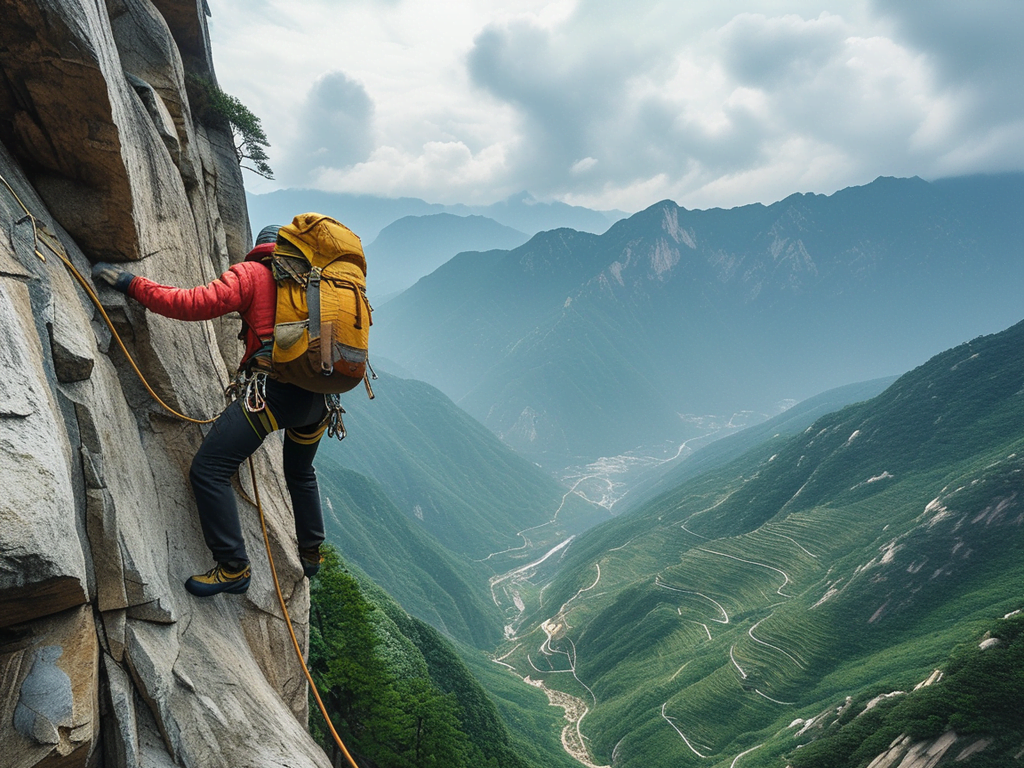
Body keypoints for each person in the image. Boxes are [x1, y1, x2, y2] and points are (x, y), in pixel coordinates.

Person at [92, 226, 327, 596]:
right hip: (321, 400)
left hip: (276, 396)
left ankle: (233, 567)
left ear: (260, 249)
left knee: (209, 469)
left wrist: (130, 283)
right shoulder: (317, 284)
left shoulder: (252, 274)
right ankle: (311, 553)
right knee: (300, 470)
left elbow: (192, 303)